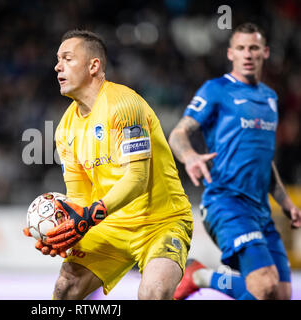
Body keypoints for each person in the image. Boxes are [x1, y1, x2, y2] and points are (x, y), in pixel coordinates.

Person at [24, 29, 193, 300]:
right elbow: (80, 196)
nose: (57, 66)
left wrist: (90, 215)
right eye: (58, 59)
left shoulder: (124, 105)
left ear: (94, 66)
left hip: (161, 222)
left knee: (154, 292)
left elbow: (137, 178)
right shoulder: (65, 129)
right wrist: (65, 233)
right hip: (110, 227)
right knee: (64, 288)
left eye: (67, 58)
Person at [168, 22, 301, 300]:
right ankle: (201, 276)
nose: (248, 54)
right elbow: (179, 133)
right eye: (241, 48)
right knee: (264, 286)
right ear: (231, 54)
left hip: (261, 211)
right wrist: (190, 156)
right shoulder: (215, 90)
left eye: (254, 48)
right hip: (226, 204)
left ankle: (202, 275)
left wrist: (286, 203)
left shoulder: (270, 98)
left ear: (265, 52)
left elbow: (265, 161)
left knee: (281, 294)